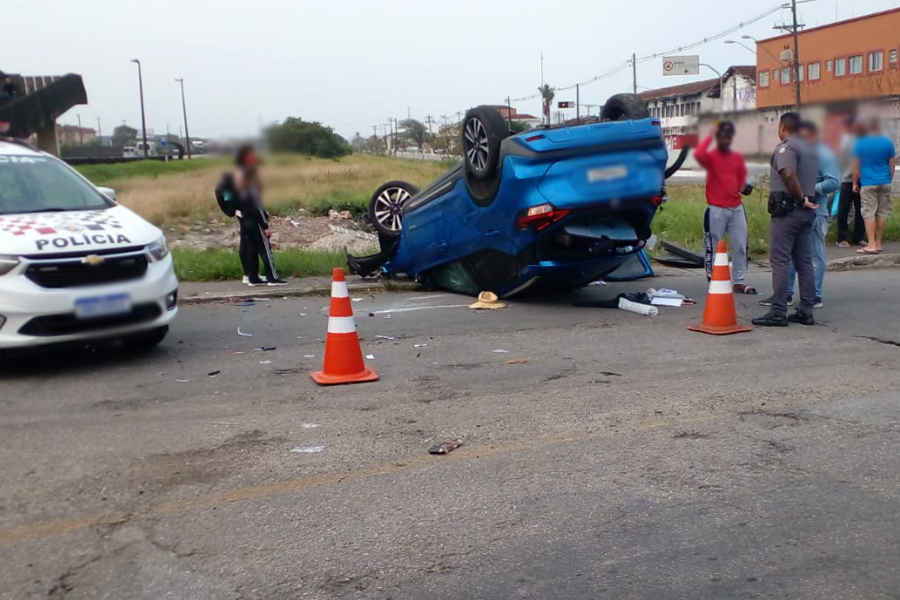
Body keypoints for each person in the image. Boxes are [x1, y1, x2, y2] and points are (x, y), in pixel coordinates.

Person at [762, 121, 839, 309]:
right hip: (800, 209)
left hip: (815, 209)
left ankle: (814, 297)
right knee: (795, 256)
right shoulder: (804, 152)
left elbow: (834, 182)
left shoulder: (823, 153)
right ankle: (789, 295)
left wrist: (807, 192)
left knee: (812, 256)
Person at [752, 112, 819, 327]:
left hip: (789, 211)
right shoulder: (810, 148)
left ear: (782, 126)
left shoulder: (787, 148)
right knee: (804, 261)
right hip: (806, 213)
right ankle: (806, 310)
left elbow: (788, 174)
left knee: (780, 261)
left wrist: (799, 200)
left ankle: (778, 311)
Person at [693, 121, 756, 294]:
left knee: (741, 245)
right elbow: (698, 153)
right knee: (712, 246)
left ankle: (739, 281)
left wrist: (746, 188)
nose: (726, 139)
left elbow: (741, 184)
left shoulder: (737, 158)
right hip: (715, 208)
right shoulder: (710, 156)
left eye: (729, 135)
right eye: (722, 135)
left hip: (736, 207)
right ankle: (714, 279)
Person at [234, 145, 288, 287]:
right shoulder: (250, 181)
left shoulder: (239, 180)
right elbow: (256, 206)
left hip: (244, 219)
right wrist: (265, 225)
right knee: (265, 249)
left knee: (251, 249)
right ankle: (272, 278)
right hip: (254, 221)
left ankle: (252, 277)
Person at [852, 118, 896, 255]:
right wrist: (889, 178)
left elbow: (855, 166)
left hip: (868, 182)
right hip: (885, 181)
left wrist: (854, 183)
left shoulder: (860, 144)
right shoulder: (888, 142)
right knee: (882, 213)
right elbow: (892, 165)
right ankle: (878, 243)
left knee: (868, 213)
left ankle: (870, 244)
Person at [836, 117, 866, 247]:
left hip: (858, 178)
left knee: (860, 209)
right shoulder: (847, 140)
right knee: (845, 209)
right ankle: (843, 237)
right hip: (848, 178)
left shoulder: (861, 139)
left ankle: (857, 237)